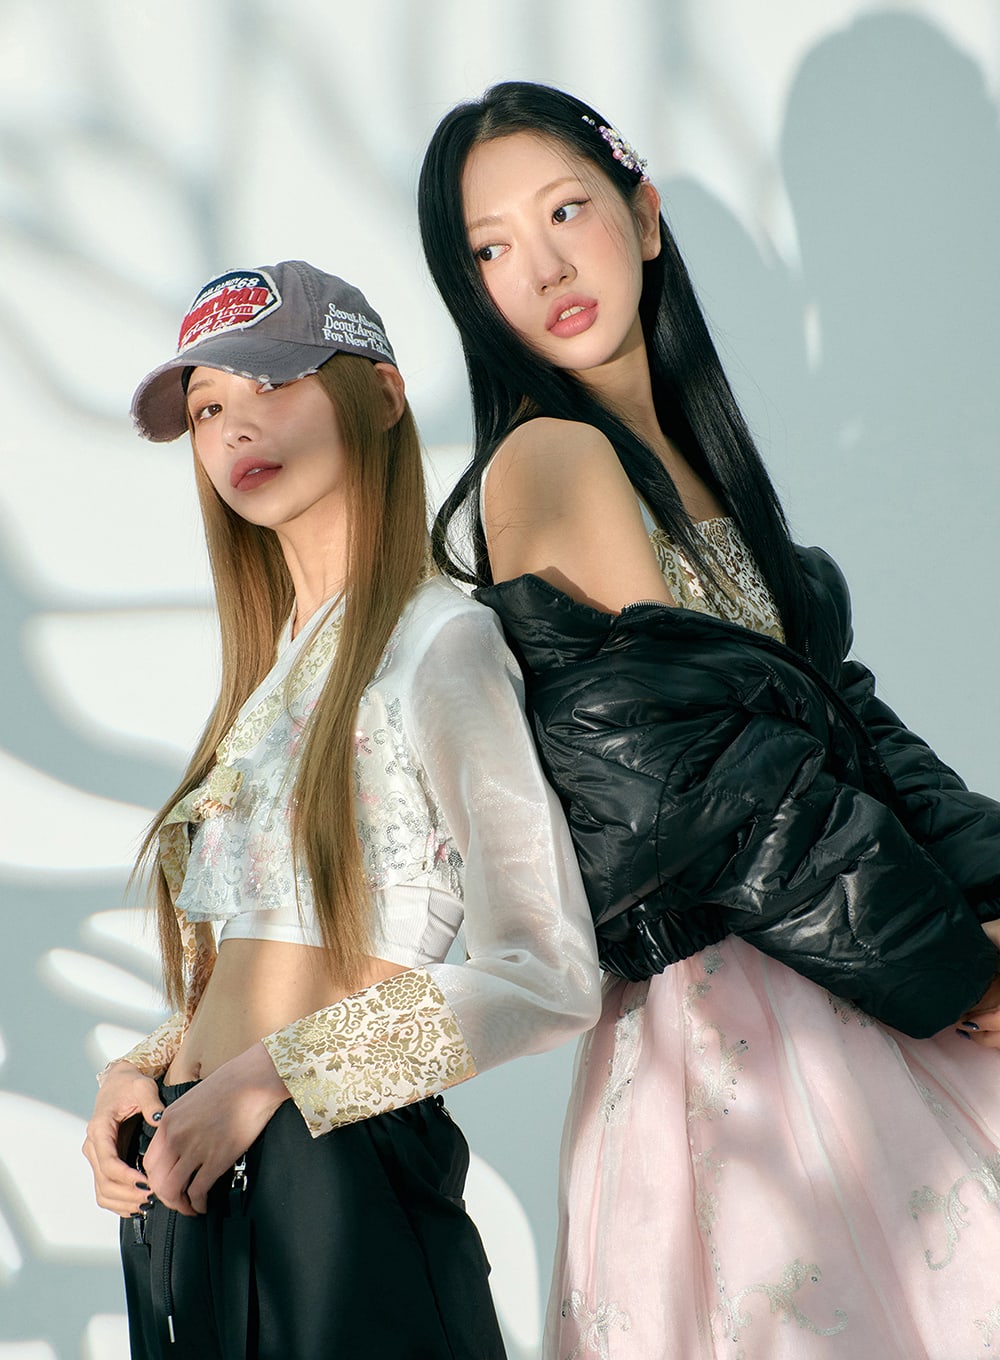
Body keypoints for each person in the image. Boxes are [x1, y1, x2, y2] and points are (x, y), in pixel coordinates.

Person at [417, 82, 1000, 1359]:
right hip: (749, 1019)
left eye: (564, 211)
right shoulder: (553, 457)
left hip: (831, 959)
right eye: (491, 248)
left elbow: (839, 714)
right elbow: (695, 785)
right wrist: (954, 965)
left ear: (642, 217)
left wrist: (986, 886)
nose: (543, 267)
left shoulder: (690, 461)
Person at [82, 258, 601, 1360]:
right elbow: (275, 948)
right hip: (194, 1170)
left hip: (332, 1168)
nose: (234, 427)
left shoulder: (440, 641)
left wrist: (271, 1075)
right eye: (207, 407)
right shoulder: (269, 674)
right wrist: (153, 1068)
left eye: (272, 382)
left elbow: (548, 971)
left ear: (383, 393)